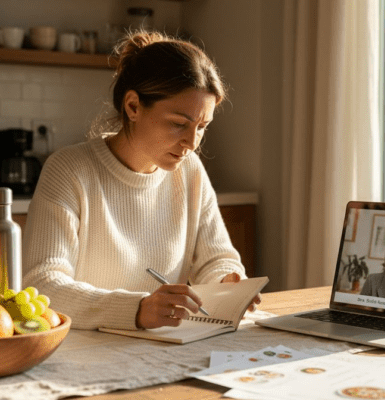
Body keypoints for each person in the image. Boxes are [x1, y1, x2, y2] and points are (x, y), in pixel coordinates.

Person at [22, 30, 260, 331]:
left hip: (163, 347)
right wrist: (136, 309)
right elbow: (44, 286)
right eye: (178, 124)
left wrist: (227, 282)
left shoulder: (190, 171)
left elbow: (216, 259)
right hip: (84, 353)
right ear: (132, 106)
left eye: (202, 127)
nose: (191, 142)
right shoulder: (69, 170)